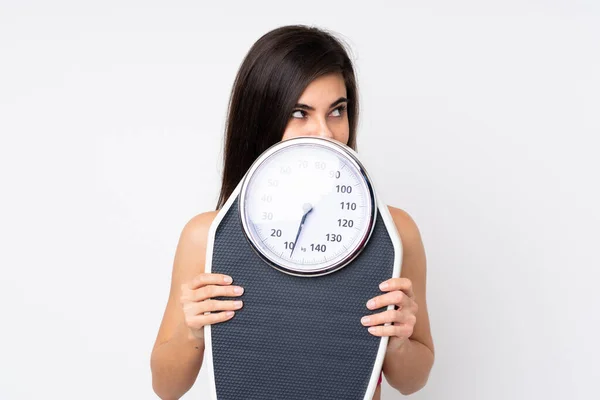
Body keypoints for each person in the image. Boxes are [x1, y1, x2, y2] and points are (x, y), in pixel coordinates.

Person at [150, 24, 435, 400]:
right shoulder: (209, 236)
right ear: (262, 117)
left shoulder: (394, 231)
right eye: (300, 112)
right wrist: (191, 332)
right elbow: (166, 389)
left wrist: (398, 341)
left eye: (337, 110)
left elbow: (412, 382)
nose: (325, 132)